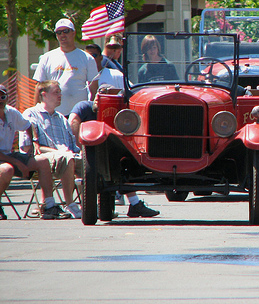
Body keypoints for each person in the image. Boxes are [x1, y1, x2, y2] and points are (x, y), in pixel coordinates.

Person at [68, 86, 160, 218]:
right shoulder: (85, 106)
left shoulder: (121, 110)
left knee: (126, 160)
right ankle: (132, 203)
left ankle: (135, 203)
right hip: (89, 152)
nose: (104, 95)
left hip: (114, 150)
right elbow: (73, 120)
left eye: (109, 94)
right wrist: (80, 144)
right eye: (101, 92)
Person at [0, 85, 65, 220]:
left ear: (7, 98)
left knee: (42, 161)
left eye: (2, 96)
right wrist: (19, 163)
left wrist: (32, 143)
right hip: (4, 160)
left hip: (9, 155)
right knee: (7, 169)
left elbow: (28, 125)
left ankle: (48, 205)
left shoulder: (11, 113)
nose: (0, 100)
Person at [20, 81, 82, 219]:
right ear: (44, 95)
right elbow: (28, 147)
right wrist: (59, 153)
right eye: (56, 92)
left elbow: (73, 147)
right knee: (67, 157)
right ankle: (70, 204)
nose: (60, 95)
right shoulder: (30, 114)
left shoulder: (62, 118)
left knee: (90, 162)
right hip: (44, 158)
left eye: (60, 92)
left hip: (66, 156)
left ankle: (90, 205)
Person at [33, 19, 99, 117]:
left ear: (73, 33)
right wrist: (36, 113)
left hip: (79, 115)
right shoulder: (47, 58)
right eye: (59, 32)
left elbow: (94, 89)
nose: (62, 35)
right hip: (53, 114)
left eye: (66, 31)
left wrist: (91, 112)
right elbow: (39, 87)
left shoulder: (87, 58)